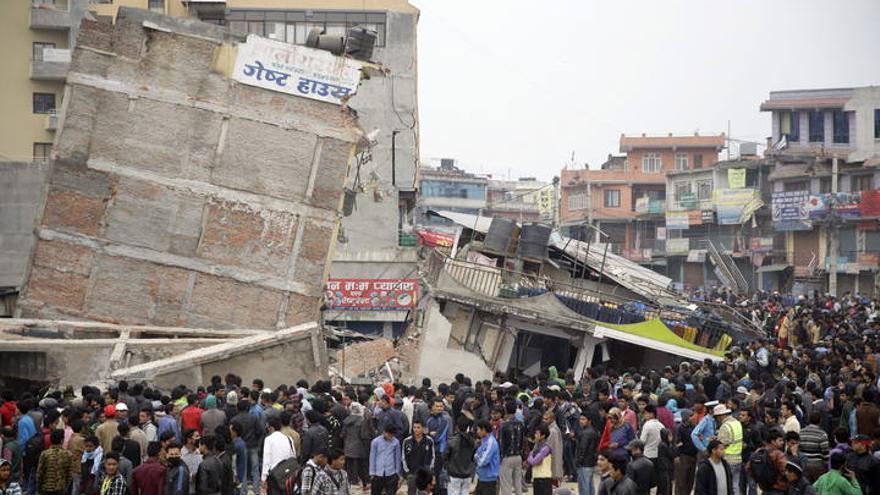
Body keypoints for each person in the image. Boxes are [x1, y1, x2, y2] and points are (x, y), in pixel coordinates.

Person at [230, 400, 260, 495]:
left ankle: (243, 490)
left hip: (240, 446)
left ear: (238, 408)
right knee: (255, 469)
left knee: (242, 469)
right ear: (248, 408)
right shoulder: (254, 418)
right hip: (253, 446)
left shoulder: (234, 420)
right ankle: (256, 490)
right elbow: (260, 431)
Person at [260, 417, 296, 495]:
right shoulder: (289, 438)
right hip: (288, 473)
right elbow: (293, 456)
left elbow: (266, 460)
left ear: (271, 428)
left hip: (274, 475)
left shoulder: (268, 439)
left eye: (267, 427)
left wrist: (263, 478)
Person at [746, 428, 788, 495]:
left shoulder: (759, 451)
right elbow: (785, 470)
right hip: (778, 488)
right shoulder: (778, 454)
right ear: (773, 441)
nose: (782, 443)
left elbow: (748, 467)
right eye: (780, 440)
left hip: (764, 488)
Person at [714, 403, 744, 495]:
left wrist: (715, 442)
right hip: (738, 459)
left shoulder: (725, 426)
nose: (717, 419)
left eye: (717, 417)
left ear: (721, 415)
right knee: (735, 485)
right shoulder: (737, 423)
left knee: (727, 486)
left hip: (728, 460)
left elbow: (722, 444)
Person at [498, 402, 525, 495]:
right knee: (518, 484)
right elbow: (522, 440)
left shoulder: (504, 425)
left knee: (506, 485)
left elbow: (501, 443)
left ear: (505, 410)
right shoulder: (520, 424)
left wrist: (500, 457)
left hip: (507, 457)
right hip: (518, 456)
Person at [444, 417, 475, 495]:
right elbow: (474, 458)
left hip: (454, 474)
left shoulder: (452, 441)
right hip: (467, 474)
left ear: (457, 427)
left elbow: (444, 456)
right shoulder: (473, 442)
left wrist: (447, 467)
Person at [402, 420, 434, 495]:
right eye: (414, 427)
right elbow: (403, 458)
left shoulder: (429, 441)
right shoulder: (407, 441)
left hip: (425, 475)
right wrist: (407, 472)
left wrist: (429, 471)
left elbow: (432, 457)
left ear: (423, 428)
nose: (416, 429)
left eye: (418, 427)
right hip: (412, 474)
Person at [342, 403, 369, 492]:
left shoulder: (346, 420)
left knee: (349, 468)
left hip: (348, 447)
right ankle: (362, 485)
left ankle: (350, 484)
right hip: (359, 447)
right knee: (360, 467)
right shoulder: (362, 421)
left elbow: (342, 434)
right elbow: (363, 435)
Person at [36, 429, 72, 495]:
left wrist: (38, 487)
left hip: (46, 487)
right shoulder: (68, 454)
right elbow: (69, 474)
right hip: (61, 487)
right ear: (62, 440)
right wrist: (66, 487)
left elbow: (39, 472)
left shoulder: (45, 454)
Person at [368, 425, 401, 495]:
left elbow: (397, 458)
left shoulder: (396, 442)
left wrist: (397, 473)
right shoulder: (375, 442)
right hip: (378, 473)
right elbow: (372, 457)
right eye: (389, 434)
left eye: (392, 435)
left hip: (391, 473)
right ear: (384, 432)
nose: (390, 436)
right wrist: (372, 473)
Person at [473, 420, 499, 495]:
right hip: (482, 478)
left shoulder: (491, 442)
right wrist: (477, 457)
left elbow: (483, 461)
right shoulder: (484, 441)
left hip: (489, 480)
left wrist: (477, 458)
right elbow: (476, 455)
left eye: (478, 429)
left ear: (483, 430)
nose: (477, 432)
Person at [575, 414, 598, 495]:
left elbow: (582, 449)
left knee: (584, 487)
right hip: (590, 463)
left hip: (584, 464)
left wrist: (579, 462)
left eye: (583, 419)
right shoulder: (593, 431)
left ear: (589, 421)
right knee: (590, 485)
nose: (581, 421)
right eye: (580, 419)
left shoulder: (585, 433)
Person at [527, 424, 553, 495]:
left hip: (544, 479)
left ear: (543, 435)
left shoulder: (546, 448)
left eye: (537, 433)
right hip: (536, 478)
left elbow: (534, 461)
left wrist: (530, 456)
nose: (535, 435)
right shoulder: (536, 446)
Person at [544, 410, 564, 483]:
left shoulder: (552, 431)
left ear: (552, 419)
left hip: (553, 460)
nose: (544, 421)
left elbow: (549, 447)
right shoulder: (551, 428)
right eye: (544, 418)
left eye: (546, 419)